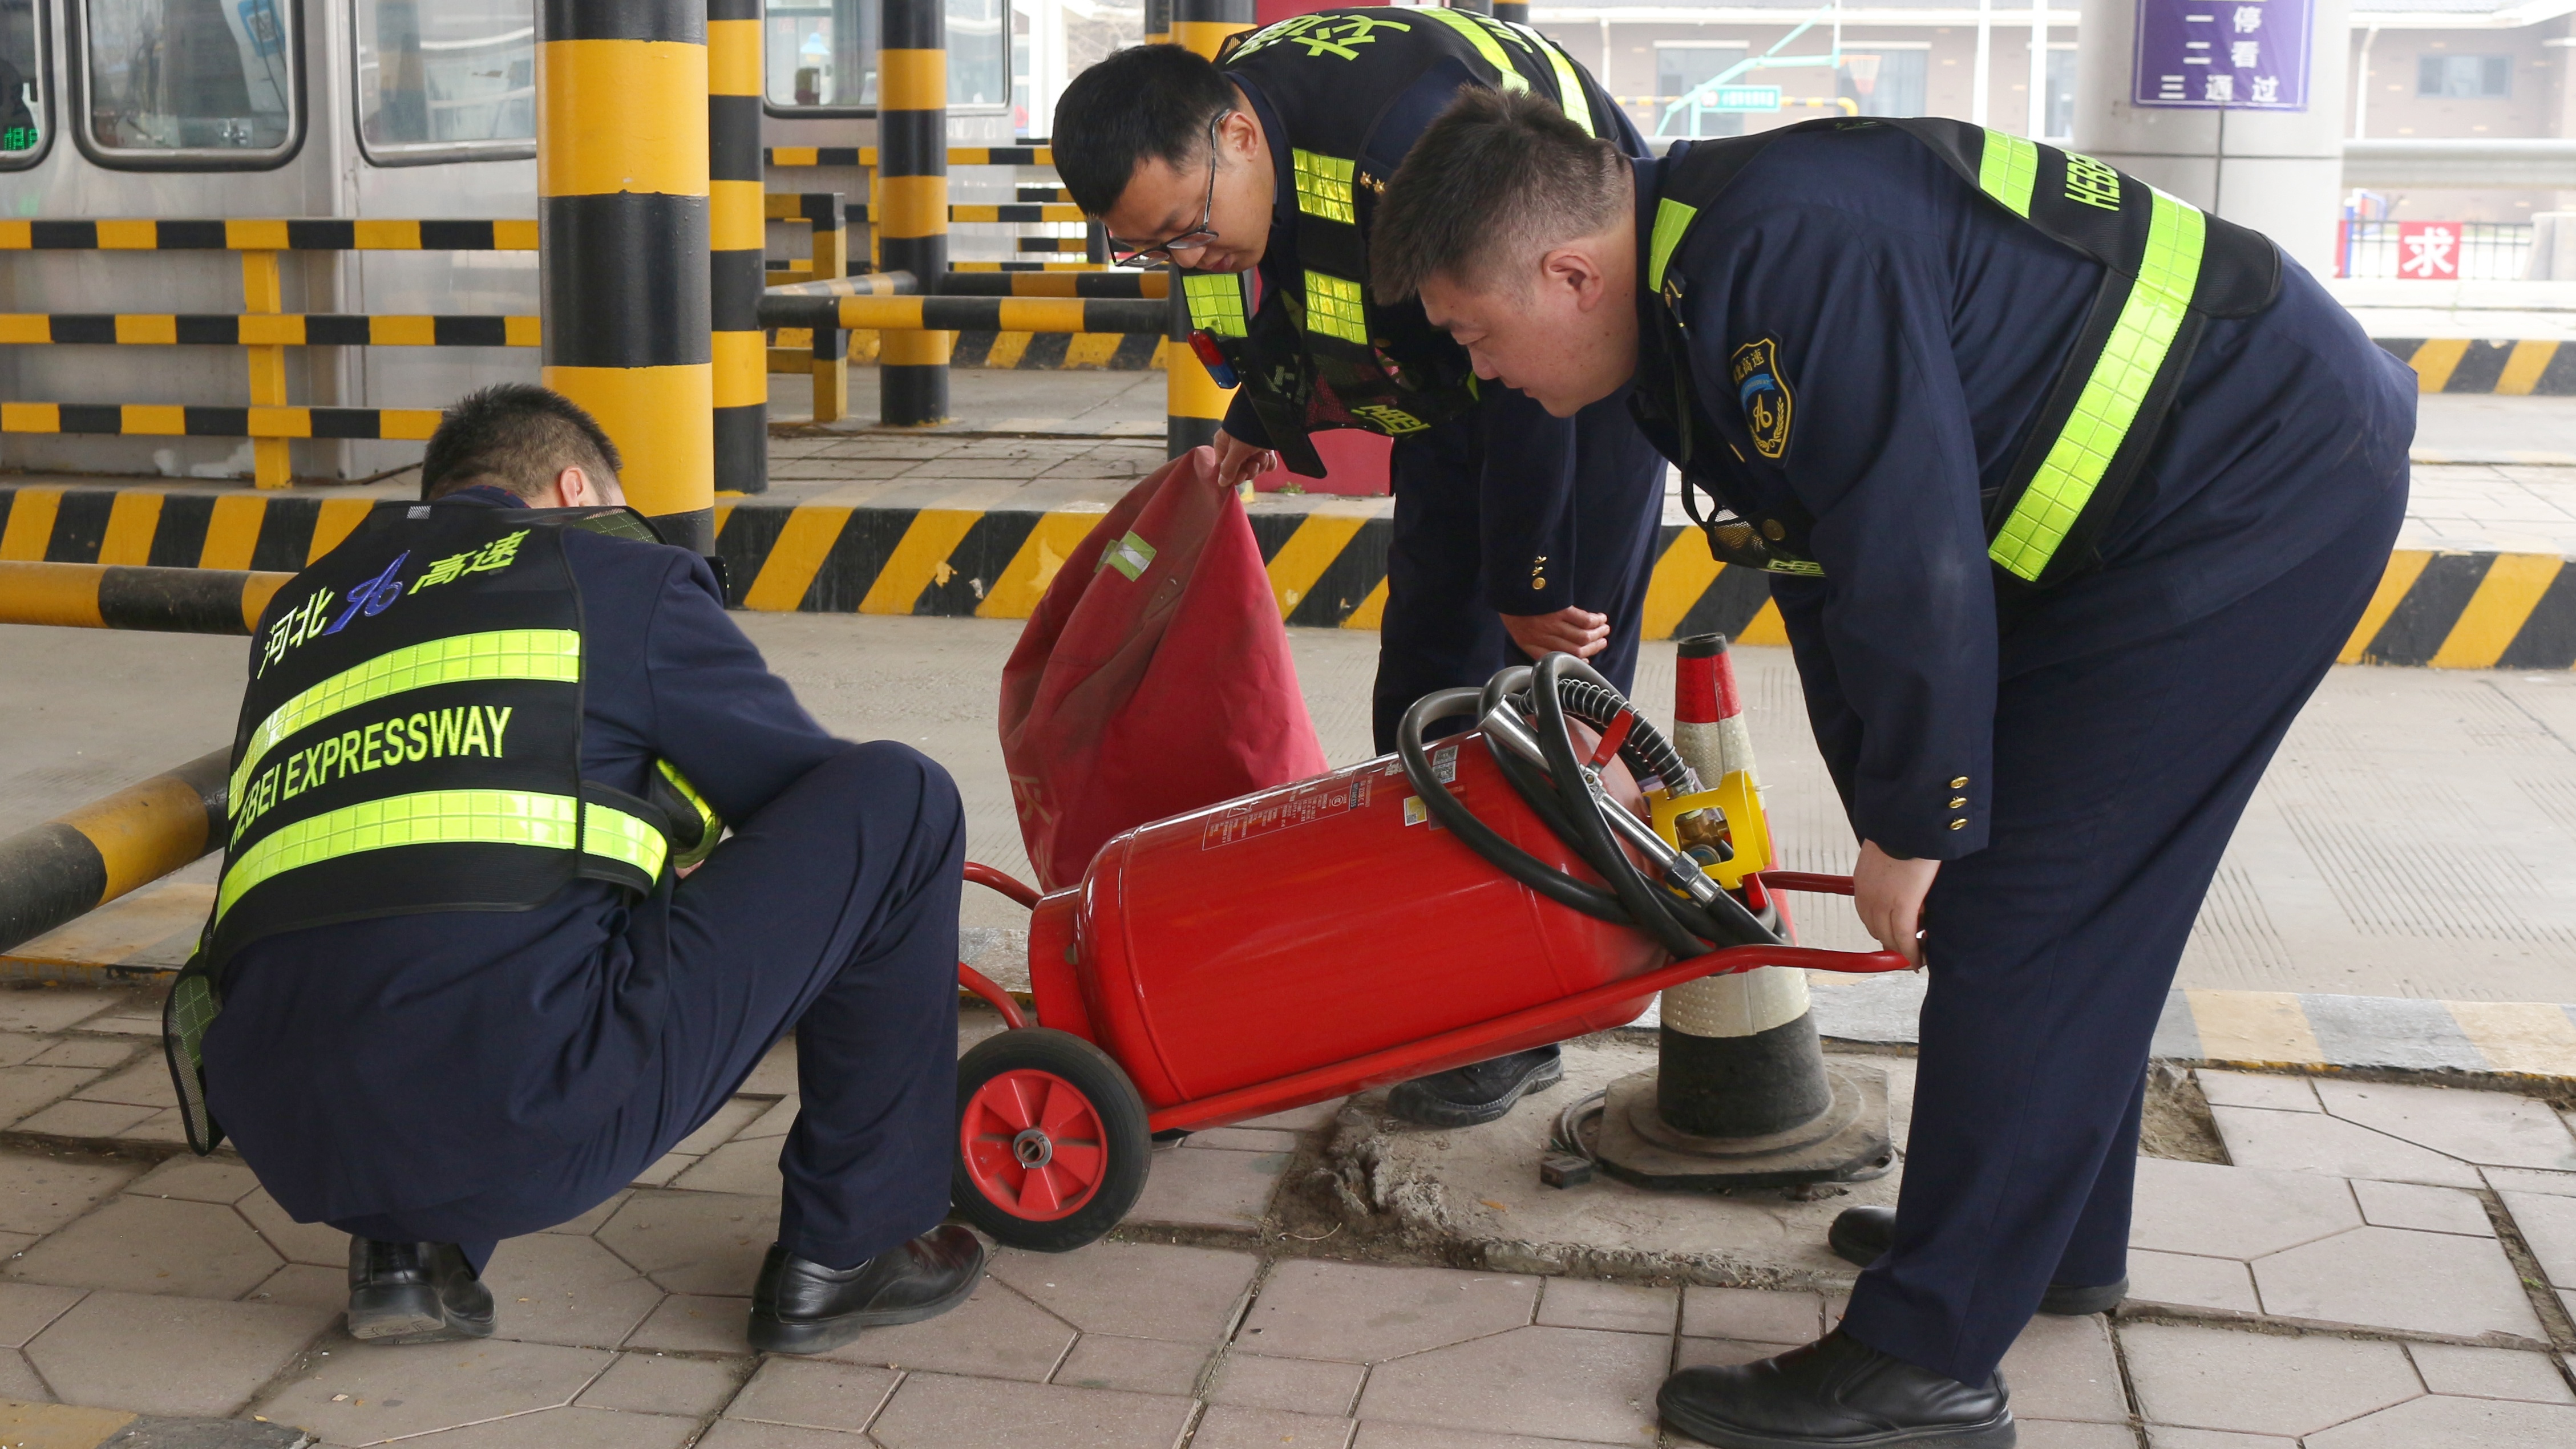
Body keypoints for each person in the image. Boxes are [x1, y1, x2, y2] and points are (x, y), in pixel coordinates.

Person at [1370, 92, 2412, 1447]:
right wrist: (1892, 806)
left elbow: (1905, 555)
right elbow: (1817, 564)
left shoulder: (1780, 256)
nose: (1482, 372)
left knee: (2027, 911)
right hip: (2135, 512)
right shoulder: (1686, 289)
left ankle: (1925, 1363)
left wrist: (1922, 822)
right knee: (2020, 904)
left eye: (1473, 334)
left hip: (2252, 485)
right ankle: (2033, 1242)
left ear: (1567, 274)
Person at [183, 384, 985, 1355]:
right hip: (519, 1117)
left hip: (287, 1128)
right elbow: (809, 799)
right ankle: (851, 1251)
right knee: (901, 801)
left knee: (428, 896)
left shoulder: (301, 614)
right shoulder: (605, 571)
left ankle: (412, 1253)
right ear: (575, 489)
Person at [1052, 14, 1668, 1129]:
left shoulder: (1404, 140)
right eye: (1151, 249)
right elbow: (1300, 277)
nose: (1186, 260)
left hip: (1578, 350)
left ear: (1238, 138)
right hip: (1452, 370)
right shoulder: (1238, 135)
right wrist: (1261, 411)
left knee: (1544, 708)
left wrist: (1530, 583)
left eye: (1187, 230)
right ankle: (1442, 970)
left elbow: (1536, 360)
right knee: (1428, 687)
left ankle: (1530, 1017)